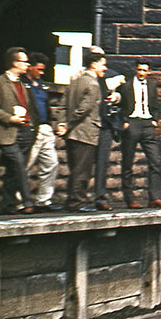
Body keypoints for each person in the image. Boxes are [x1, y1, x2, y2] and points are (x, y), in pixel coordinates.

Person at [118, 61, 161, 208]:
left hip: (148, 125)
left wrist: (155, 120)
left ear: (149, 72)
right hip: (132, 123)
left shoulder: (152, 86)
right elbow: (119, 105)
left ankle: (154, 198)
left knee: (155, 161)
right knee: (128, 163)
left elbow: (155, 104)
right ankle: (130, 199)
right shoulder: (126, 85)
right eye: (139, 70)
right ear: (135, 70)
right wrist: (125, 121)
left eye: (144, 70)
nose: (141, 73)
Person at [0, 48, 38, 214]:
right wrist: (9, 119)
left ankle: (8, 204)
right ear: (14, 62)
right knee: (19, 165)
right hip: (7, 132)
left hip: (25, 131)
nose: (27, 65)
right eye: (24, 61)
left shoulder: (22, 83)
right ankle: (28, 201)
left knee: (13, 170)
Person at [22, 53, 65, 212]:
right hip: (30, 128)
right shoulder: (22, 85)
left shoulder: (41, 85)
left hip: (45, 128)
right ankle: (20, 201)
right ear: (29, 67)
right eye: (39, 69)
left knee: (51, 163)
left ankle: (43, 200)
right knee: (26, 165)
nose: (41, 73)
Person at [64, 50, 105, 212]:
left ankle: (72, 200)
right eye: (103, 65)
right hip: (86, 132)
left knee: (75, 168)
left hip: (72, 133)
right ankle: (77, 202)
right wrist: (68, 124)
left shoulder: (74, 81)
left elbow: (63, 105)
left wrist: (63, 124)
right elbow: (83, 110)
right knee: (82, 170)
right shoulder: (93, 84)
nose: (105, 69)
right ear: (93, 64)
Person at [90, 47, 123, 211]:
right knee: (83, 164)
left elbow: (122, 93)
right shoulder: (83, 77)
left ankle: (100, 197)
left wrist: (116, 97)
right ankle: (78, 199)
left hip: (105, 124)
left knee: (103, 162)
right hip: (89, 125)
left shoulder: (108, 75)